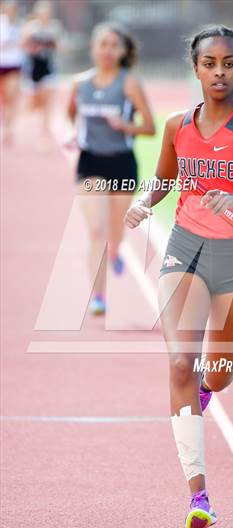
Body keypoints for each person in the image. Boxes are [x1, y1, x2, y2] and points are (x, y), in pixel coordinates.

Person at [124, 25, 233, 528]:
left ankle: (207, 385)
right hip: (185, 252)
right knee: (180, 363)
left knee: (216, 374)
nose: (218, 72)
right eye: (209, 64)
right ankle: (198, 496)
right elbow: (165, 178)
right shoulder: (178, 124)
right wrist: (143, 201)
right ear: (195, 68)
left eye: (228, 63)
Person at [67, 22, 155, 315]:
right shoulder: (79, 83)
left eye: (114, 45)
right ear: (93, 48)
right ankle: (99, 297)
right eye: (102, 44)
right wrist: (74, 134)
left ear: (123, 51)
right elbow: (72, 113)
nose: (107, 50)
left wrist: (124, 125)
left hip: (121, 164)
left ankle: (117, 249)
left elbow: (150, 127)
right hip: (90, 162)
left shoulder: (129, 83)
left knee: (115, 232)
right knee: (96, 230)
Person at [21, 0, 63, 149]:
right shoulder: (31, 28)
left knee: (47, 103)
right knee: (34, 104)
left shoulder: (54, 27)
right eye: (42, 12)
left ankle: (44, 134)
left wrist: (53, 45)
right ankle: (36, 119)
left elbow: (61, 46)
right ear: (37, 13)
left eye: (48, 12)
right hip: (33, 71)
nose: (45, 15)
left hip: (49, 70)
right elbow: (23, 46)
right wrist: (33, 48)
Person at [0, 0, 23, 145]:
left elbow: (24, 43)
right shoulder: (1, 24)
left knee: (11, 98)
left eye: (12, 9)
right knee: (3, 99)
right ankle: (4, 123)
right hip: (1, 64)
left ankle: (9, 129)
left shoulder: (20, 25)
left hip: (13, 65)